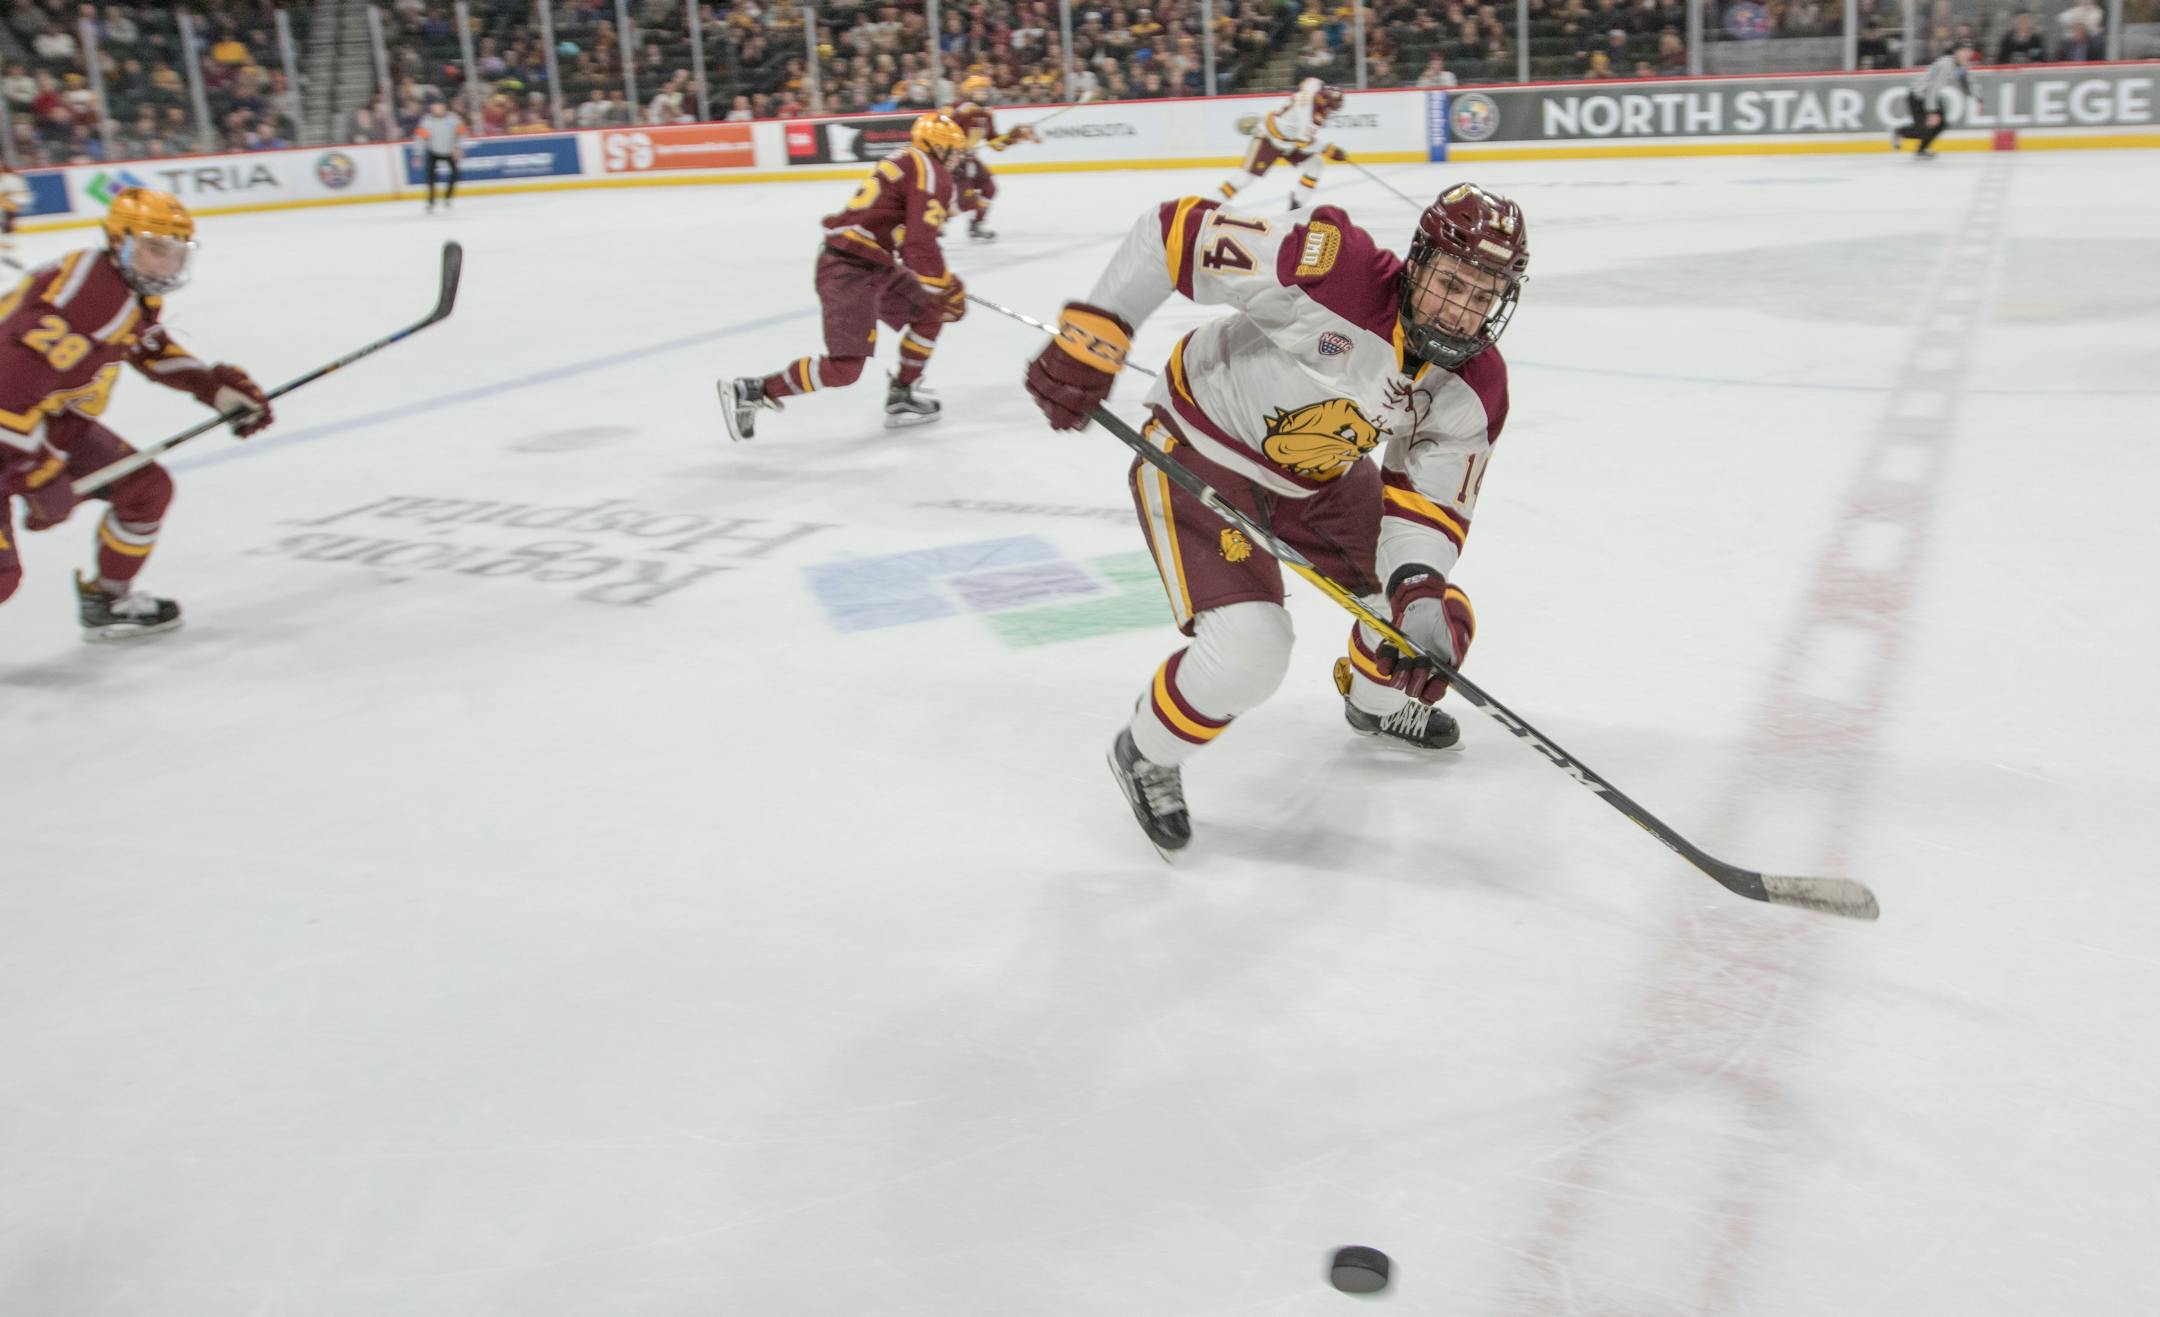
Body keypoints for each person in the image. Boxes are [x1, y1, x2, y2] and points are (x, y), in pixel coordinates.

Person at [1022, 184, 1526, 854]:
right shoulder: (1330, 267)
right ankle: (1146, 750)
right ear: (1419, 260)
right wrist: (1097, 334)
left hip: (1321, 475)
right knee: (1250, 653)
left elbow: (1426, 503)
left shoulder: (1476, 387)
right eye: (1450, 282)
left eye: (1480, 295)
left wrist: (1418, 589)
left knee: (1432, 619)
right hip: (1201, 448)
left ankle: (1373, 705)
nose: (1461, 309)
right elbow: (1173, 233)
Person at [0, 188, 273, 640]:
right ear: (118, 239)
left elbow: (145, 345)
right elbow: (6, 393)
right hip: (11, 429)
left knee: (144, 488)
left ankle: (109, 600)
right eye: (153, 249)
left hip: (40, 422)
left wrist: (212, 388)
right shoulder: (90, 295)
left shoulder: (121, 288)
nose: (165, 265)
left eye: (174, 253)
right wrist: (39, 473)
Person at [720, 113, 969, 441]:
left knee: (930, 313)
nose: (956, 159)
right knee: (844, 369)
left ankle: (902, 395)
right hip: (849, 270)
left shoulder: (910, 161)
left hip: (869, 262)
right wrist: (946, 284)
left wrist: (938, 284)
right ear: (938, 146)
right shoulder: (930, 170)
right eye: (953, 151)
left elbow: (902, 230)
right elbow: (919, 246)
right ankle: (754, 390)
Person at [1219, 78, 1348, 212]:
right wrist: (1328, 149)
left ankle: (1296, 206)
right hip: (1269, 138)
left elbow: (1308, 82)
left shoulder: (1315, 87)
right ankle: (1211, 205)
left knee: (1315, 164)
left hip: (1290, 140)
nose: (1329, 111)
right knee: (1245, 178)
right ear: (1322, 101)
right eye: (1330, 107)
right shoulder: (1308, 118)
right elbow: (1303, 143)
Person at [945, 72, 1039, 243]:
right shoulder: (956, 108)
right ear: (967, 91)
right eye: (977, 89)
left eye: (984, 89)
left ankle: (977, 224)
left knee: (990, 189)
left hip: (970, 160)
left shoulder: (985, 115)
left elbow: (995, 143)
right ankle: (935, 222)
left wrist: (1014, 137)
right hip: (955, 161)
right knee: (967, 202)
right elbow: (941, 129)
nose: (982, 92)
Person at [1892, 42, 1975, 158]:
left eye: (1969, 51)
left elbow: (1965, 82)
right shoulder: (1946, 65)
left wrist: (1978, 98)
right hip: (1918, 96)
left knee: (1941, 124)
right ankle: (1900, 131)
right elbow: (1933, 89)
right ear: (1956, 52)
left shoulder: (1960, 66)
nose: (1968, 54)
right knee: (1924, 128)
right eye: (1965, 51)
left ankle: (1922, 149)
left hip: (1930, 96)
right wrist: (1932, 111)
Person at [414, 99, 466, 211]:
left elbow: (461, 133)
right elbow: (420, 138)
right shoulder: (426, 121)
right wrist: (417, 155)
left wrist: (459, 148)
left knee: (455, 174)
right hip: (433, 151)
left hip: (450, 150)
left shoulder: (453, 118)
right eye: (434, 107)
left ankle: (447, 197)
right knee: (430, 177)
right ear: (431, 108)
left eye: (439, 107)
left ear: (444, 107)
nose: (437, 109)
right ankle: (431, 201)